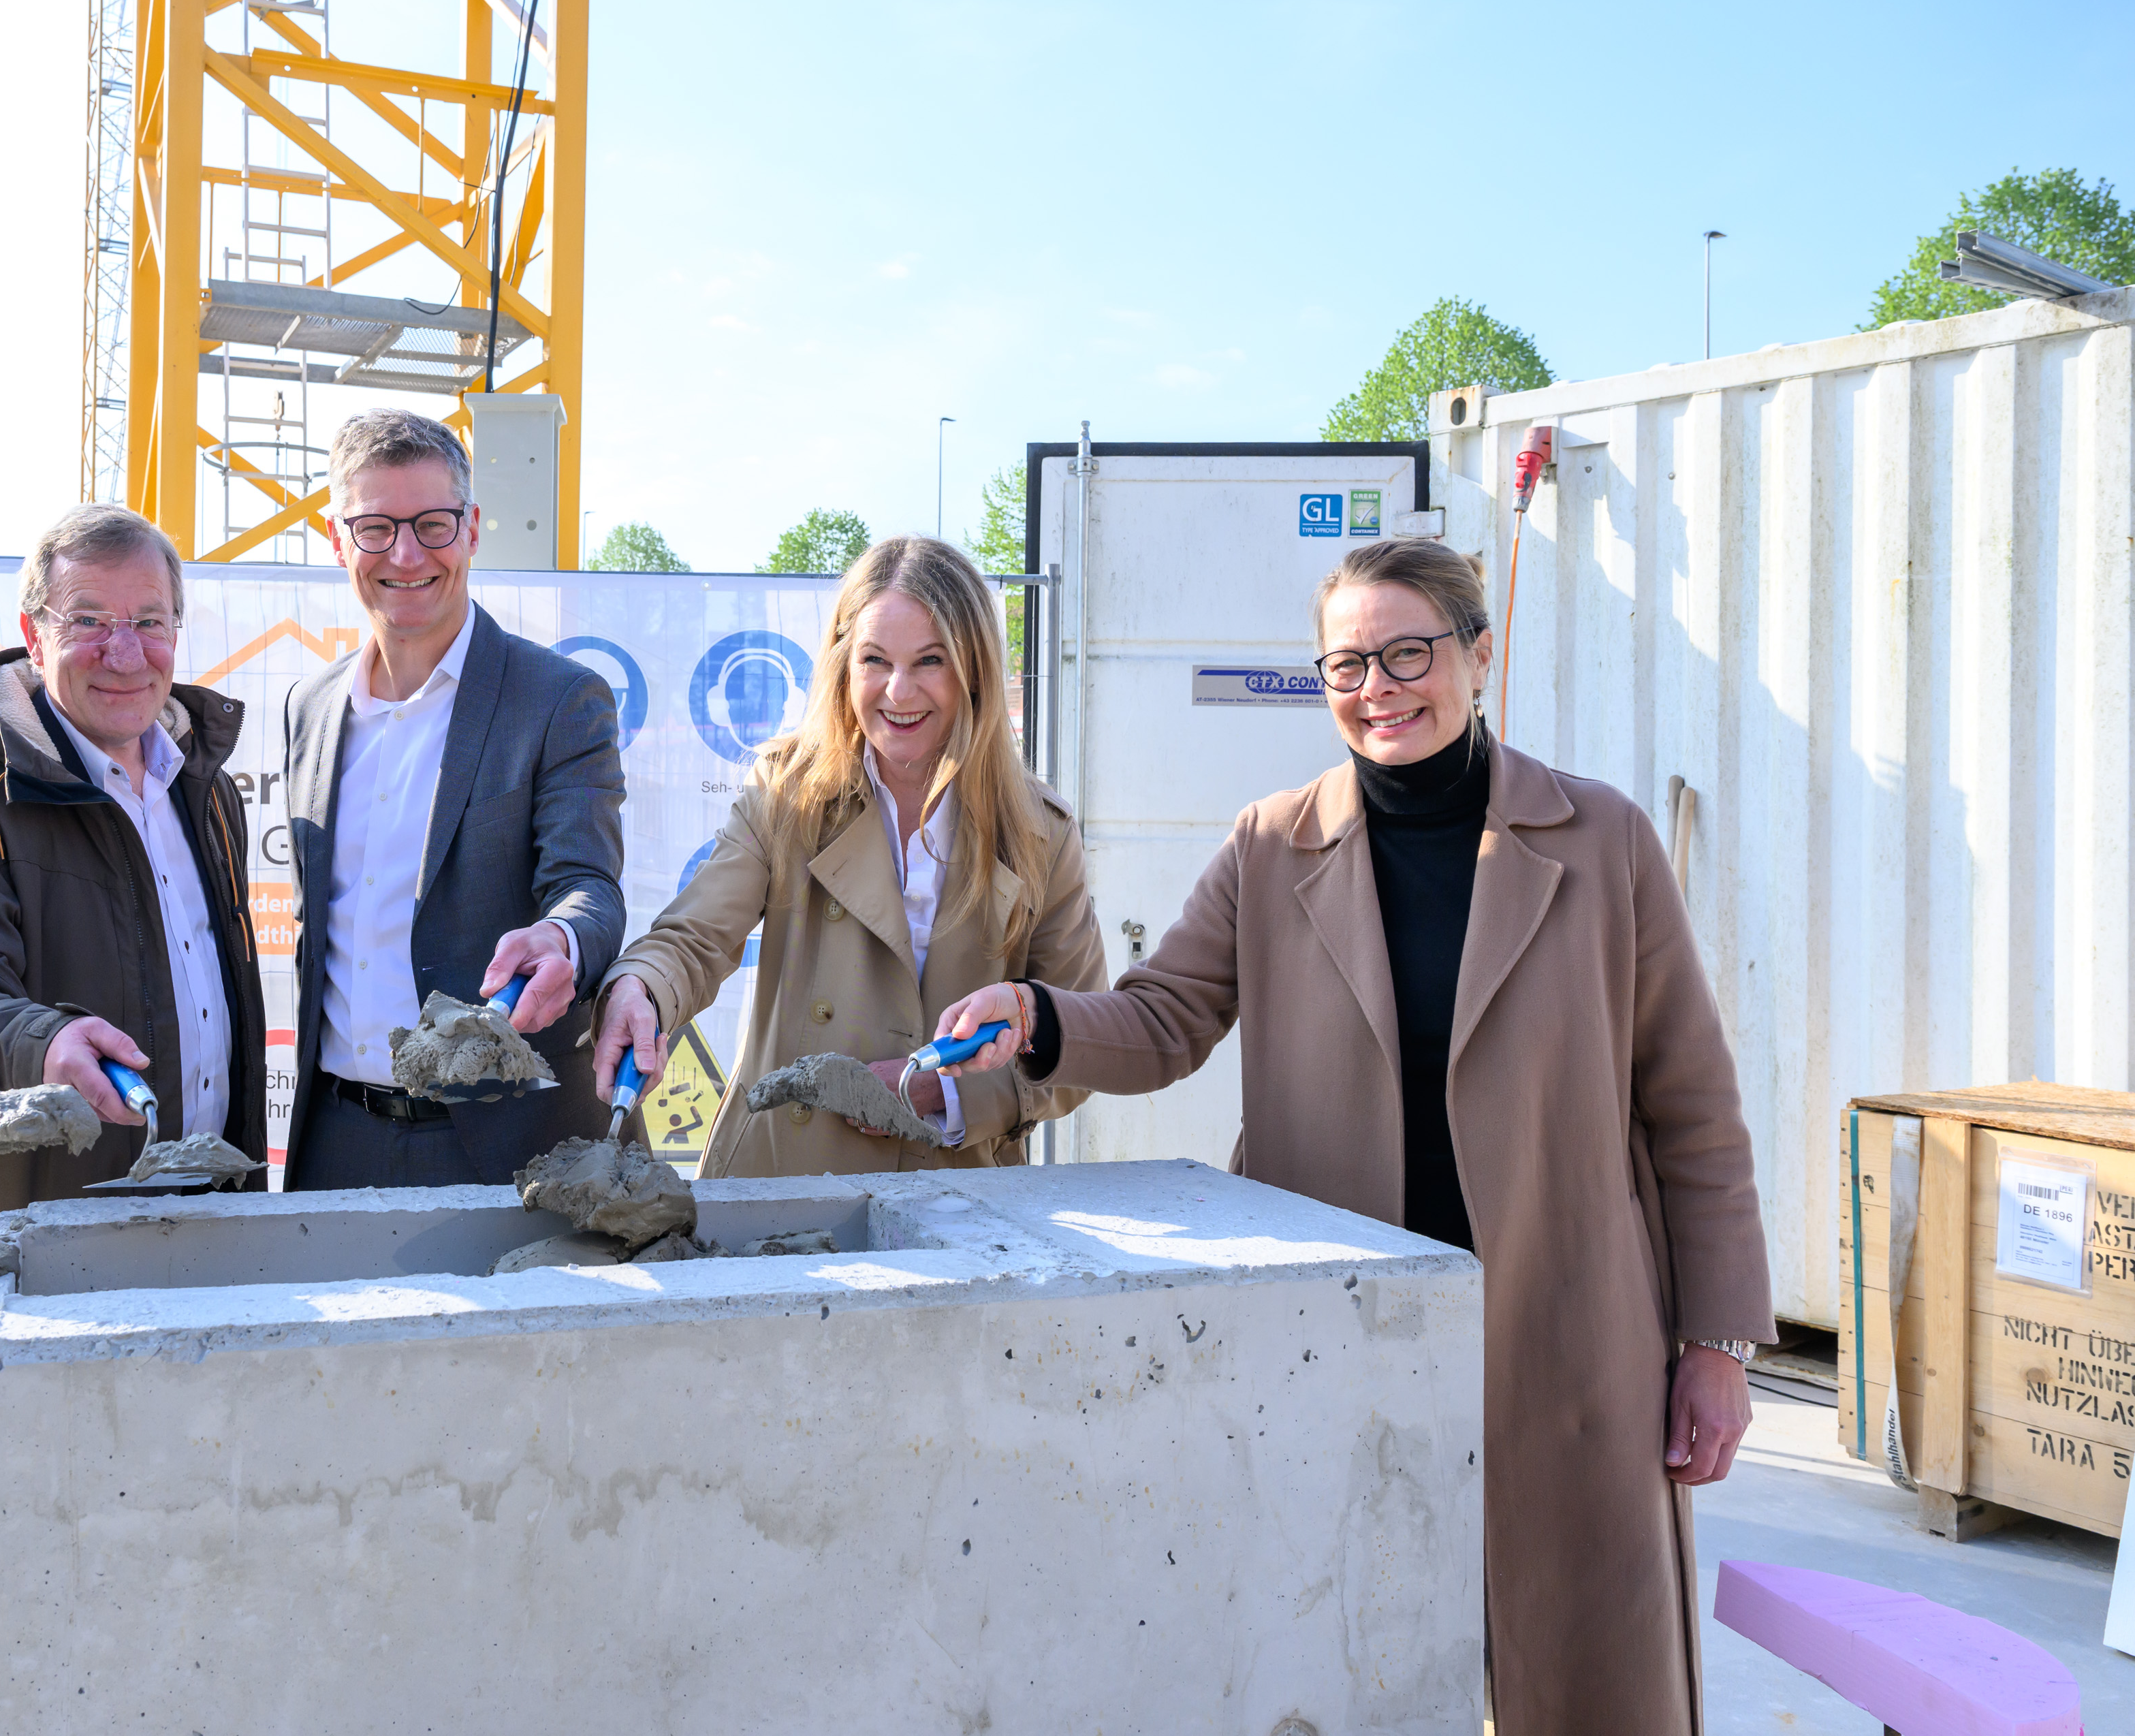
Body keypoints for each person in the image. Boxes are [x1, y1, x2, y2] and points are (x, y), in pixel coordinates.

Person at [930, 536, 1773, 1735]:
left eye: (1409, 651)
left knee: (1588, 1672)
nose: (1378, 686)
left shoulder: (1603, 841)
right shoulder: (1272, 844)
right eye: (1345, 664)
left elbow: (1693, 1109)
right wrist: (1040, 1015)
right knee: (1334, 1659)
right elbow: (1168, 1016)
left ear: (1482, 655)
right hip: (1342, 1328)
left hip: (1569, 1331)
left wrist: (1718, 1342)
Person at [594, 535, 1105, 1174]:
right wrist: (640, 989)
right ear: (843, 664)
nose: (898, 691)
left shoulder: (1039, 833)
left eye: (929, 660)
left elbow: (1079, 1040)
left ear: (974, 669)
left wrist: (941, 1090)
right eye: (874, 660)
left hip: (958, 1204)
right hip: (782, 1185)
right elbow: (696, 936)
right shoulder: (787, 794)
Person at [0, 504, 266, 1208]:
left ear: (176, 628)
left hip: (212, 1205)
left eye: (149, 621)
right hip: (40, 1225)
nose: (124, 652)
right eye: (88, 621)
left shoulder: (204, 789)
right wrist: (42, 1044)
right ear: (33, 634)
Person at [279, 409, 626, 1190]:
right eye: (374, 528)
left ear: (471, 530)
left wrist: (562, 941)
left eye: (432, 524)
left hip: (501, 1148)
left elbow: (588, 885)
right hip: (332, 1142)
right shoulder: (308, 706)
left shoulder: (558, 698)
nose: (405, 554)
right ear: (337, 541)